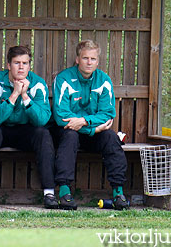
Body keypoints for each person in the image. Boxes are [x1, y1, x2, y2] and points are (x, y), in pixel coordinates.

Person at [0, 45, 57, 209]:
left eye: (25, 63)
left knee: (43, 134)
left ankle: (49, 193)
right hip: (0, 128)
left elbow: (42, 119)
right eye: (16, 63)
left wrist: (25, 96)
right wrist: (14, 95)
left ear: (29, 65)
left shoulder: (38, 84)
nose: (21, 67)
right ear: (8, 65)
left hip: (25, 130)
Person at [51, 40, 129, 210]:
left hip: (93, 132)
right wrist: (93, 128)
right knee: (70, 136)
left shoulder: (103, 80)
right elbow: (61, 116)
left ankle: (118, 193)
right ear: (77, 59)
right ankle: (64, 193)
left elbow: (108, 114)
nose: (89, 62)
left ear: (97, 61)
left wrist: (85, 122)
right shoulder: (64, 78)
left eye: (92, 59)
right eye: (85, 58)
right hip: (68, 131)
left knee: (110, 137)